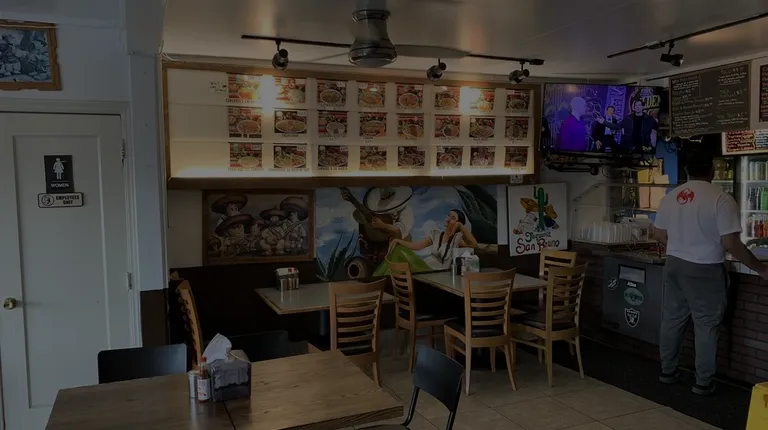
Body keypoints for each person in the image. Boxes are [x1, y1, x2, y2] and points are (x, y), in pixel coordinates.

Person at [653, 150, 768, 395]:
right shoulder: (721, 199)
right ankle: (702, 382)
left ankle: (667, 372)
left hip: (674, 264)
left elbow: (659, 234)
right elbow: (731, 244)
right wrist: (760, 269)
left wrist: (681, 246)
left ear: (686, 171)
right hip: (705, 269)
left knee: (672, 320)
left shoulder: (670, 197)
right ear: (712, 171)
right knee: (706, 325)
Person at [388, 209, 477, 270]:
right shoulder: (436, 234)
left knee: (400, 258)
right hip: (425, 267)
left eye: (453, 218)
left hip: (436, 273)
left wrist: (461, 226)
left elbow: (473, 244)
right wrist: (398, 241)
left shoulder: (456, 239)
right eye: (448, 215)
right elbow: (418, 246)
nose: (448, 219)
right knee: (398, 251)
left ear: (457, 223)